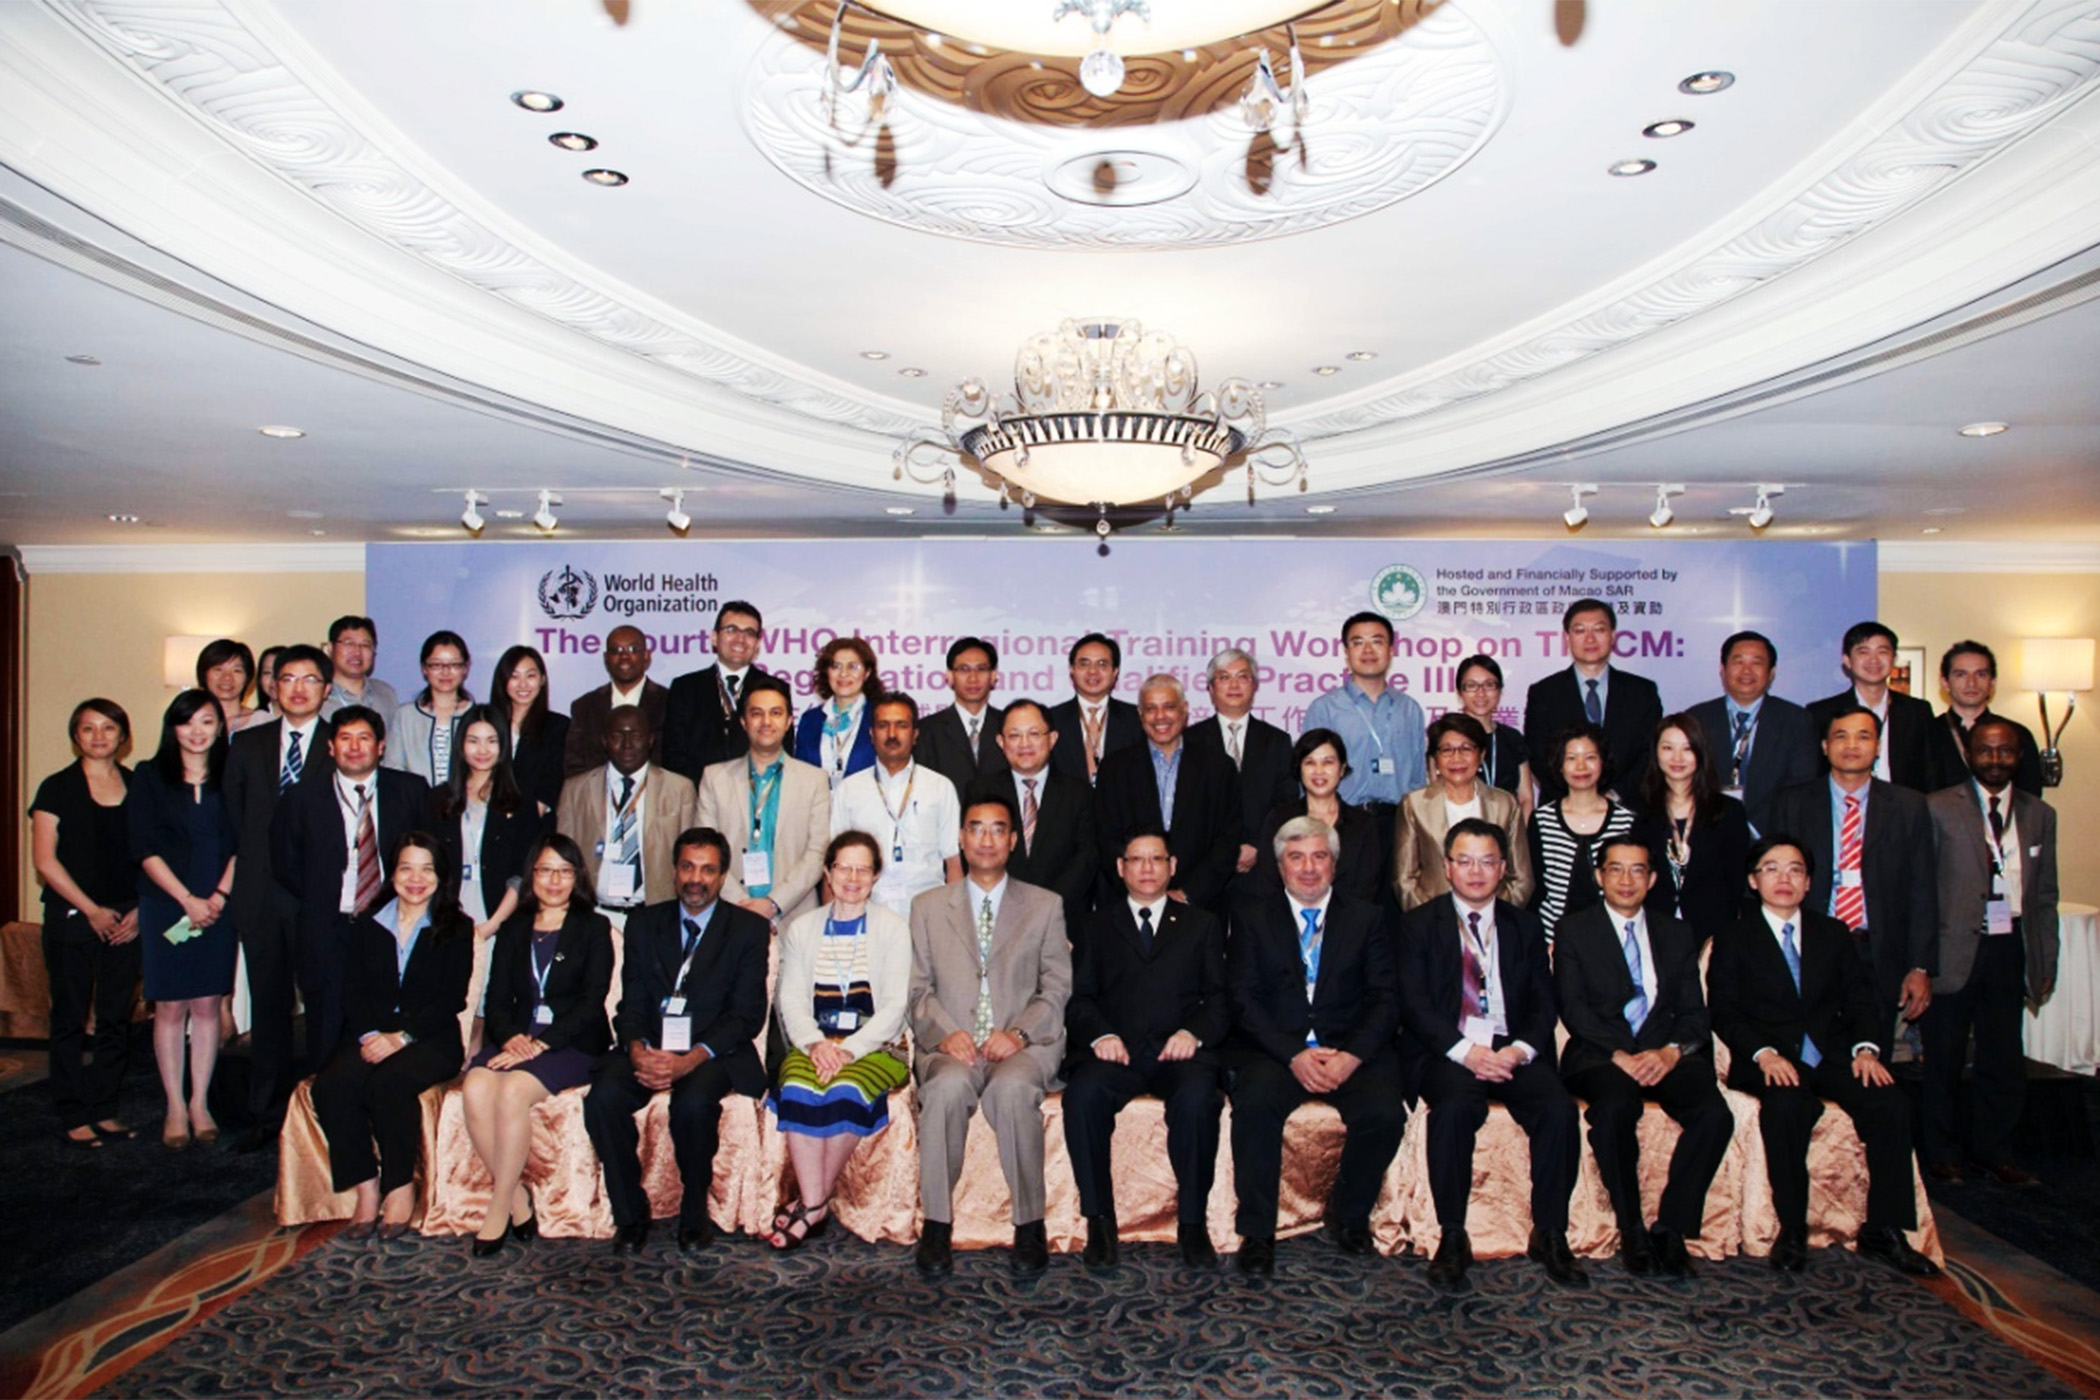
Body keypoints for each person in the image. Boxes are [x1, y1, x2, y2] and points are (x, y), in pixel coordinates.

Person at [1708, 837, 1938, 1277]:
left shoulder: (1832, 933)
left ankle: (1884, 1230)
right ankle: (1792, 1229)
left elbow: (1860, 1000)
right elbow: (1724, 1011)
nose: (1784, 878)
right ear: (1753, 881)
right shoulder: (1735, 937)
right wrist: (1763, 1054)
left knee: (1891, 1104)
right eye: (1771, 869)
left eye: (1795, 870)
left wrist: (1866, 1049)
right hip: (1767, 1058)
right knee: (1788, 1106)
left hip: (1831, 1056)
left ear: (1809, 882)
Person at [1398, 819, 1584, 1291]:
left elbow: (1543, 1002)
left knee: (1558, 1109)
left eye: (1487, 861)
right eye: (1464, 861)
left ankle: (1550, 1233)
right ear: (1447, 867)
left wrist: (1519, 1051)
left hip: (1510, 1047)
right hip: (1449, 1049)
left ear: (1503, 868)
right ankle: (1452, 1235)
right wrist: (1467, 1053)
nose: (1476, 872)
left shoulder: (1525, 926)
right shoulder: (1418, 925)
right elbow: (1415, 1004)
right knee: (1454, 1108)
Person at [1226, 815, 1406, 1275]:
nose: (1308, 868)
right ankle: (1257, 1231)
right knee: (1254, 1105)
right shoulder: (1252, 917)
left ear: (1334, 864)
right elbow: (1243, 999)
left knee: (1384, 1113)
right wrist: (1292, 1054)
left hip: (1349, 1050)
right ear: (1280, 865)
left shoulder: (1366, 918)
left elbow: (1386, 998)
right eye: (1297, 857)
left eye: (1319, 856)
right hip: (1279, 1051)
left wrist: (1351, 1057)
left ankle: (1348, 1213)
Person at [908, 793, 1071, 1279]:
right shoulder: (927, 907)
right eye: (976, 828)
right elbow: (917, 989)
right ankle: (937, 1225)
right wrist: (945, 1033)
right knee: (945, 1089)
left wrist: (1019, 1033)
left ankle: (1030, 1225)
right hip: (951, 1044)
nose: (986, 839)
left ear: (1013, 840)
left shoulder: (1044, 905)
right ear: (961, 838)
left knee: (1012, 1089)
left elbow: (1056, 987)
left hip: (1023, 1045)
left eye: (998, 829)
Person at [586, 827, 770, 1256]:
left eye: (707, 870)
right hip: (650, 1044)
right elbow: (631, 1003)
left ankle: (693, 1212)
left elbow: (746, 1015)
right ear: (674, 870)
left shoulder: (747, 930)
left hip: (713, 1050)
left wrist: (689, 1060)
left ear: (722, 876)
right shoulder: (643, 924)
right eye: (688, 867)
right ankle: (630, 1215)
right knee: (603, 1097)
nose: (696, 879)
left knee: (692, 1104)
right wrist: (636, 1051)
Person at [1555, 837, 1732, 1279]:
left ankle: (1671, 1228)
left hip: (1663, 1052)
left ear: (1652, 879)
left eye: (1637, 870)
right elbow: (1573, 1008)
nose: (1626, 879)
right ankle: (1632, 1228)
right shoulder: (1574, 929)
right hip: (1600, 1054)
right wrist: (1619, 1054)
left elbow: (1694, 1011)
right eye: (1615, 869)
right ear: (1599, 876)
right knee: (1616, 1107)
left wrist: (1671, 1053)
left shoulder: (1676, 933)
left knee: (1713, 1114)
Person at [1064, 829, 1229, 1272]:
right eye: (1136, 859)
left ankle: (1192, 1223)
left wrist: (1193, 1033)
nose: (1147, 868)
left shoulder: (1202, 924)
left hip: (1178, 1055)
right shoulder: (1096, 926)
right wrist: (1100, 1035)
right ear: (1121, 868)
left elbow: (1220, 1000)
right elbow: (1079, 1000)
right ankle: (1099, 1221)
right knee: (1082, 1096)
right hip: (1117, 1054)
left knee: (1198, 1099)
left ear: (1173, 866)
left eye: (1157, 859)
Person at [312, 832, 472, 1242]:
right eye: (406, 868)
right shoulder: (368, 924)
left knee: (388, 1083)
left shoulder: (457, 927)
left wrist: (400, 1038)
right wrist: (371, 1035)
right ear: (392, 873)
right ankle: (366, 1187)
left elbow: (450, 999)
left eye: (426, 869)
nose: (416, 879)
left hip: (431, 1038)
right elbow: (352, 990)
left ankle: (400, 1187)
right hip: (371, 1033)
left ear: (441, 876)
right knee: (332, 1084)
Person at [1921, 719, 2059, 1187]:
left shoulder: (2040, 814)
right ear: (1970, 754)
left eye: (2005, 751)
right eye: (1985, 750)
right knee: (1943, 1057)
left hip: (2009, 945)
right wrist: (1921, 959)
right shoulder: (1938, 807)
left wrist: (2046, 958)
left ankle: (1994, 1152)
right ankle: (1942, 1154)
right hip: (1953, 947)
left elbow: (2045, 896)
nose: (1995, 760)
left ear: (2018, 757)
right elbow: (1922, 890)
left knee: (2002, 1056)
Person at [461, 833, 614, 1256]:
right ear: (532, 875)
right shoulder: (514, 927)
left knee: (512, 1090)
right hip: (519, 1036)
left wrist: (542, 1045)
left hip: (573, 1042)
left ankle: (498, 1209)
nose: (554, 880)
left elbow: (592, 1002)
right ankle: (516, 1196)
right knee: (475, 1086)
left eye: (565, 871)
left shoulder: (593, 927)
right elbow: (496, 998)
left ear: (578, 877)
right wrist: (512, 1037)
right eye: (546, 870)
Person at [767, 831, 914, 1250]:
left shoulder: (893, 928)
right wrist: (817, 1045)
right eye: (843, 868)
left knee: (846, 1091)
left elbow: (894, 1007)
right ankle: (816, 1203)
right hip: (814, 1042)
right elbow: (791, 1001)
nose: (852, 878)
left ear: (876, 876)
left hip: (876, 1045)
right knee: (798, 1088)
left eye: (862, 870)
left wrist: (849, 1049)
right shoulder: (803, 929)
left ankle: (810, 1206)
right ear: (827, 873)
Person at [1769, 706, 1937, 1053]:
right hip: (1808, 947)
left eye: (1863, 737)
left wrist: (1920, 966)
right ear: (1824, 746)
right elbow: (1772, 881)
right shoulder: (1793, 803)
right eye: (1840, 736)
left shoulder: (1909, 806)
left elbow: (1923, 891)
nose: (1851, 745)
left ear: (1878, 747)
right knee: (1807, 1058)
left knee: (1873, 1061)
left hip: (1878, 952)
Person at [272, 705, 430, 1068]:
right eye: (345, 738)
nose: (355, 747)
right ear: (331, 747)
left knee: (386, 1030)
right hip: (328, 929)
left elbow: (430, 855)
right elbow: (286, 864)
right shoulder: (301, 798)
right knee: (325, 1034)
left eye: (364, 738)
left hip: (393, 927)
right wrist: (325, 897)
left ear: (381, 746)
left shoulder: (410, 790)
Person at [224, 643, 334, 1152]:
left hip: (319, 899)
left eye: (310, 679)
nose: (298, 688)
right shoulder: (248, 744)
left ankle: (323, 1113)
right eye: (288, 678)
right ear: (273, 686)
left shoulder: (341, 742)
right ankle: (266, 1115)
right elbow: (235, 821)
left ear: (326, 689)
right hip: (262, 896)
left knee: (324, 1011)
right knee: (268, 1012)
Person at [131, 689, 239, 1150]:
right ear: (172, 727)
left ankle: (200, 1103)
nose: (197, 731)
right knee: (171, 1007)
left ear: (220, 727)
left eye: (207, 722)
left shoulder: (233, 775)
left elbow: (243, 843)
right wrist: (186, 900)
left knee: (208, 1004)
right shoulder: (149, 776)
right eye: (187, 721)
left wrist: (218, 897)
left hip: (219, 906)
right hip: (166, 904)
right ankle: (175, 1105)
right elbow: (143, 847)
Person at [32, 699, 140, 1148]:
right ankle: (73, 1112)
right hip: (73, 917)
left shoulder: (138, 785)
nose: (99, 736)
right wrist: (91, 909)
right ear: (75, 736)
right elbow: (45, 860)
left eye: (108, 727)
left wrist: (140, 910)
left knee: (115, 1018)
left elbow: (152, 854)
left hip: (127, 918)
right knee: (70, 1018)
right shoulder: (56, 788)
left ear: (123, 736)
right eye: (88, 728)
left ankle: (104, 1108)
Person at [427, 704, 549, 1058]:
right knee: (448, 996)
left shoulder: (520, 802)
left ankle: (472, 1065)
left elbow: (523, 873)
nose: (482, 750)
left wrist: (493, 924)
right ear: (460, 745)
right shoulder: (438, 799)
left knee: (486, 1001)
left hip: (498, 912)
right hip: (448, 911)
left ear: (503, 746)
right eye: (473, 740)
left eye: (491, 741)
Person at [1093, 674, 1242, 914]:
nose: (1160, 716)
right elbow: (1106, 838)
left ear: (1184, 710)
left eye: (1169, 707)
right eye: (1151, 709)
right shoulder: (1114, 768)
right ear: (1140, 715)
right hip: (1130, 906)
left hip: (1200, 908)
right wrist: (1143, 893)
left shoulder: (1218, 767)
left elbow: (1227, 840)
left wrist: (1188, 893)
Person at [699, 678, 832, 926]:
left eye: (776, 713)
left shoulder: (815, 780)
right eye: (757, 713)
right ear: (744, 722)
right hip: (729, 915)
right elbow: (705, 852)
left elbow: (817, 853)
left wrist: (772, 904)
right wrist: (742, 906)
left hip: (794, 918)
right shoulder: (714, 778)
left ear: (789, 721)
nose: (766, 722)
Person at [1302, 611, 1427, 856]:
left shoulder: (1409, 709)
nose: (1368, 650)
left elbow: (1417, 779)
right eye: (1358, 642)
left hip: (1399, 825)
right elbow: (1307, 776)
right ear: (1346, 652)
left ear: (1390, 650)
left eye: (1377, 641)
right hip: (1341, 823)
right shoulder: (1324, 709)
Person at [555, 706, 697, 920]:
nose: (627, 744)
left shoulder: (680, 789)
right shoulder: (575, 790)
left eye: (636, 736)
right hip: (593, 914)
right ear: (604, 741)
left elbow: (690, 859)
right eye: (617, 736)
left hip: (656, 914)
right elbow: (563, 858)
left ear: (650, 740)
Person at [829, 694, 961, 917]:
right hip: (866, 914)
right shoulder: (849, 790)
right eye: (883, 725)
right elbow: (834, 864)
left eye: (901, 725)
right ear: (872, 734)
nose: (892, 734)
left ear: (915, 734)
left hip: (928, 915)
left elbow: (953, 863)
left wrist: (954, 920)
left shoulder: (940, 787)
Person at [975, 699, 1096, 939]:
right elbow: (977, 854)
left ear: (1052, 739)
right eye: (1014, 735)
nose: (1024, 744)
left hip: (1063, 924)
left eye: (1034, 734)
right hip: (998, 921)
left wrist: (1044, 908)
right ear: (1000, 742)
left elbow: (1085, 860)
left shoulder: (1079, 794)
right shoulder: (981, 791)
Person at [1523, 599, 1664, 803]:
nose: (1590, 639)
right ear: (1567, 638)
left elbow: (1649, 754)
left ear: (1613, 635)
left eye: (1599, 629)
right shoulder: (1544, 693)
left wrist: (1614, 796)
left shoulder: (1642, 692)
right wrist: (1578, 800)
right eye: (1580, 631)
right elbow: (1538, 757)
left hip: (1628, 808)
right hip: (1561, 808)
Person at [1631, 715, 1753, 943]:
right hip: (1652, 930)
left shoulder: (1728, 811)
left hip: (1713, 931)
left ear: (1700, 752)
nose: (1677, 758)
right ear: (1655, 752)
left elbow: (1736, 881)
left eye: (1687, 749)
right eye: (1668, 748)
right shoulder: (1638, 811)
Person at [1684, 631, 1820, 835]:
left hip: (1773, 836)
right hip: (1706, 834)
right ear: (1723, 669)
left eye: (1757, 662)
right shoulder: (1696, 718)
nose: (1746, 671)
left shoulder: (1797, 721)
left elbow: (1800, 789)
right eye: (1738, 662)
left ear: (1771, 672)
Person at [1394, 714, 1532, 911]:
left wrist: (1494, 918)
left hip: (1495, 921)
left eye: (1466, 749)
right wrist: (1430, 921)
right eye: (1447, 750)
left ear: (1481, 755)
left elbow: (1522, 878)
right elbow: (1404, 880)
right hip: (1433, 919)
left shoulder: (1505, 804)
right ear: (1435, 759)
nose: (1456, 758)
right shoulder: (1414, 805)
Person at [1186, 648, 1296, 893]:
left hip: (1261, 870)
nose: (1234, 685)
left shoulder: (1277, 741)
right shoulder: (1190, 741)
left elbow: (1285, 803)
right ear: (1211, 689)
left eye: (1242, 677)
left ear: (1254, 686)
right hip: (1203, 869)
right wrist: (1221, 853)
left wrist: (1257, 846)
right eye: (1224, 677)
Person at [1526, 722, 1636, 941]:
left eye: (1590, 757)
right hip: (1552, 941)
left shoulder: (1626, 821)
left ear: (1602, 762)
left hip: (1614, 940)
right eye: (1571, 758)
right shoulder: (1542, 820)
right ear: (1559, 765)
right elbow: (1536, 888)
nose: (1581, 766)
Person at [1250, 729, 1387, 904]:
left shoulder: (1363, 824)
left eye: (1328, 762)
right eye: (1310, 763)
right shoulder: (1279, 819)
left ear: (1342, 769)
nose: (1319, 771)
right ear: (1299, 769)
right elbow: (1267, 884)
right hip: (1285, 917)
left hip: (1349, 917)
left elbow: (1366, 888)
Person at [1806, 622, 1939, 792]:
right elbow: (1813, 772)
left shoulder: (1917, 711)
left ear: (1894, 659)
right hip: (1843, 805)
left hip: (1903, 805)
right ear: (1847, 660)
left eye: (1882, 651)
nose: (1874, 660)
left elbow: (1930, 773)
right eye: (1863, 652)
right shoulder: (1821, 713)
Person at [662, 601, 778, 782]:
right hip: (697, 794)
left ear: (757, 643)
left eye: (749, 633)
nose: (740, 639)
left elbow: (781, 755)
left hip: (756, 794)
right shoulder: (684, 688)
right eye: (731, 630)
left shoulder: (775, 689)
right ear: (714, 637)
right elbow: (673, 755)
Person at [1931, 641, 2046, 795]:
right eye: (1961, 675)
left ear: (1992, 683)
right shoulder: (1927, 733)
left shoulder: (2017, 734)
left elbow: (2030, 798)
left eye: (1981, 674)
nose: (1971, 683)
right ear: (1945, 683)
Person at [563, 625, 669, 778]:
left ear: (646, 655)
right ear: (606, 658)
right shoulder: (584, 707)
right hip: (596, 791)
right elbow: (574, 765)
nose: (624, 656)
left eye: (633, 649)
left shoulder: (670, 702)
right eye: (616, 651)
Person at [914, 636, 1009, 793]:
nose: (973, 678)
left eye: (981, 669)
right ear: (950, 676)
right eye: (964, 669)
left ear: (993, 676)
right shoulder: (926, 731)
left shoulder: (1008, 726)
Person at [1047, 633, 1141, 787]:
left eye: (1102, 664)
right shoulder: (1051, 720)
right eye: (1084, 664)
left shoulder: (1136, 719)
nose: (1092, 671)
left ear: (1115, 672)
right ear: (1072, 670)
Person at [795, 635, 883, 791]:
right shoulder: (810, 720)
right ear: (826, 672)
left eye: (853, 666)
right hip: (817, 805)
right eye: (836, 666)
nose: (843, 674)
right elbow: (799, 774)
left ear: (867, 673)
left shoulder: (879, 717)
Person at [386, 630, 473, 786]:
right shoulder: (405, 716)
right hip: (415, 800)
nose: (445, 672)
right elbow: (392, 769)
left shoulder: (477, 716)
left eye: (454, 664)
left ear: (465, 668)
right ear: (424, 669)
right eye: (436, 665)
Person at [491, 645, 569, 817]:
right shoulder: (488, 724)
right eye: (514, 676)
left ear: (542, 679)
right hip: (486, 822)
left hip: (534, 824)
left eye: (530, 676)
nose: (523, 684)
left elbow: (549, 786)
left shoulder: (558, 727)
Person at [1453, 655, 1533, 813]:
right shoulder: (1448, 738)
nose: (1481, 693)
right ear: (1460, 692)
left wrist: (1519, 829)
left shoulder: (1512, 738)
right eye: (1471, 686)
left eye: (1489, 685)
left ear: (1499, 690)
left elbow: (1526, 798)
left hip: (1507, 825)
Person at [321, 615, 400, 722]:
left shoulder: (386, 693)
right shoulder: (319, 696)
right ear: (331, 648)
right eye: (349, 643)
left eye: (365, 645)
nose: (357, 652)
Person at [196, 637, 261, 734]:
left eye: (236, 670)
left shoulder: (262, 722)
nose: (227, 677)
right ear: (204, 674)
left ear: (247, 677)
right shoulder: (188, 721)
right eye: (218, 669)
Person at [255, 646, 287, 718]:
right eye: (267, 672)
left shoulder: (308, 717)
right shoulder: (254, 720)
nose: (273, 679)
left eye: (280, 672)